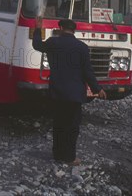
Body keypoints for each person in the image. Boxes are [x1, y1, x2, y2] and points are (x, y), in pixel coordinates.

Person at [32, 17, 107, 165]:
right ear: (74, 30)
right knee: (72, 127)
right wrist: (97, 89)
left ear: (60, 28)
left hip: (57, 92)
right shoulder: (82, 47)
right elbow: (88, 72)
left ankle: (58, 155)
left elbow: (37, 45)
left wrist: (38, 28)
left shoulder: (53, 43)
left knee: (58, 124)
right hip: (74, 94)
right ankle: (70, 157)